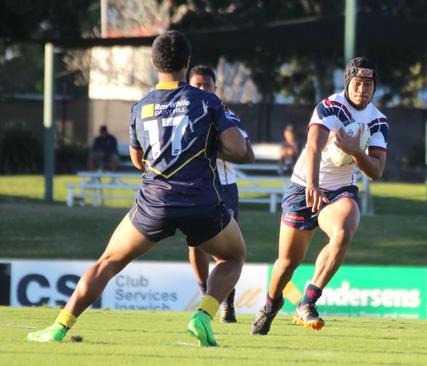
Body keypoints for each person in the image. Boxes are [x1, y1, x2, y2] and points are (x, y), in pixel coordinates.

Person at [27, 30, 248, 348]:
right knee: (234, 257)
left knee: (107, 263)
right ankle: (203, 315)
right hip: (200, 200)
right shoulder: (207, 101)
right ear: (187, 62)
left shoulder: (140, 107)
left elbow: (136, 159)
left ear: (153, 63)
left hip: (154, 203)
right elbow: (237, 148)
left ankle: (59, 326)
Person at [250, 57, 388, 335]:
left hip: (339, 191)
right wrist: (312, 184)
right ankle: (269, 306)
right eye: (358, 83)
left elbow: (376, 170)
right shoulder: (330, 107)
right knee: (288, 263)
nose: (362, 89)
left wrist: (356, 152)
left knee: (344, 230)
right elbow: (313, 147)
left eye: (368, 84)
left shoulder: (378, 121)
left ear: (375, 87)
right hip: (304, 185)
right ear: (348, 83)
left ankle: (307, 301)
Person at [187, 64, 255, 323]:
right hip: (195, 187)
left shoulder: (226, 115)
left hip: (223, 189)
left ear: (215, 89)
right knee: (195, 246)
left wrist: (211, 149)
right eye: (196, 85)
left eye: (206, 85)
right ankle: (207, 297)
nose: (201, 89)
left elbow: (248, 154)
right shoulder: (183, 117)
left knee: (224, 251)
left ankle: (227, 303)